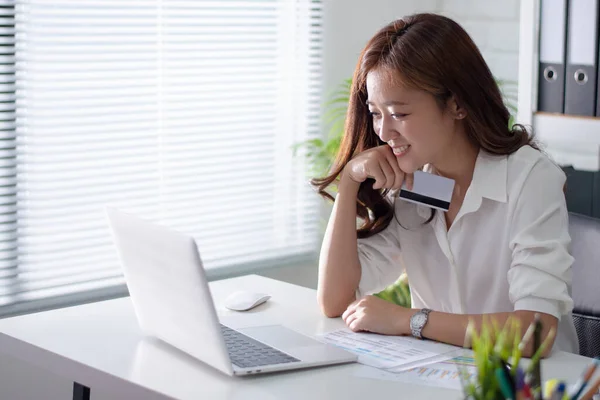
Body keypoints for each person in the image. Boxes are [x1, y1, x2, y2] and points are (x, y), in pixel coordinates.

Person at [312, 13, 579, 355]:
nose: (383, 131)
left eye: (400, 113)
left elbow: (534, 333)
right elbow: (335, 300)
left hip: (528, 385)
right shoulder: (417, 182)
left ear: (457, 104)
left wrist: (409, 321)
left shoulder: (530, 179)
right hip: (442, 377)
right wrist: (349, 181)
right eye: (376, 113)